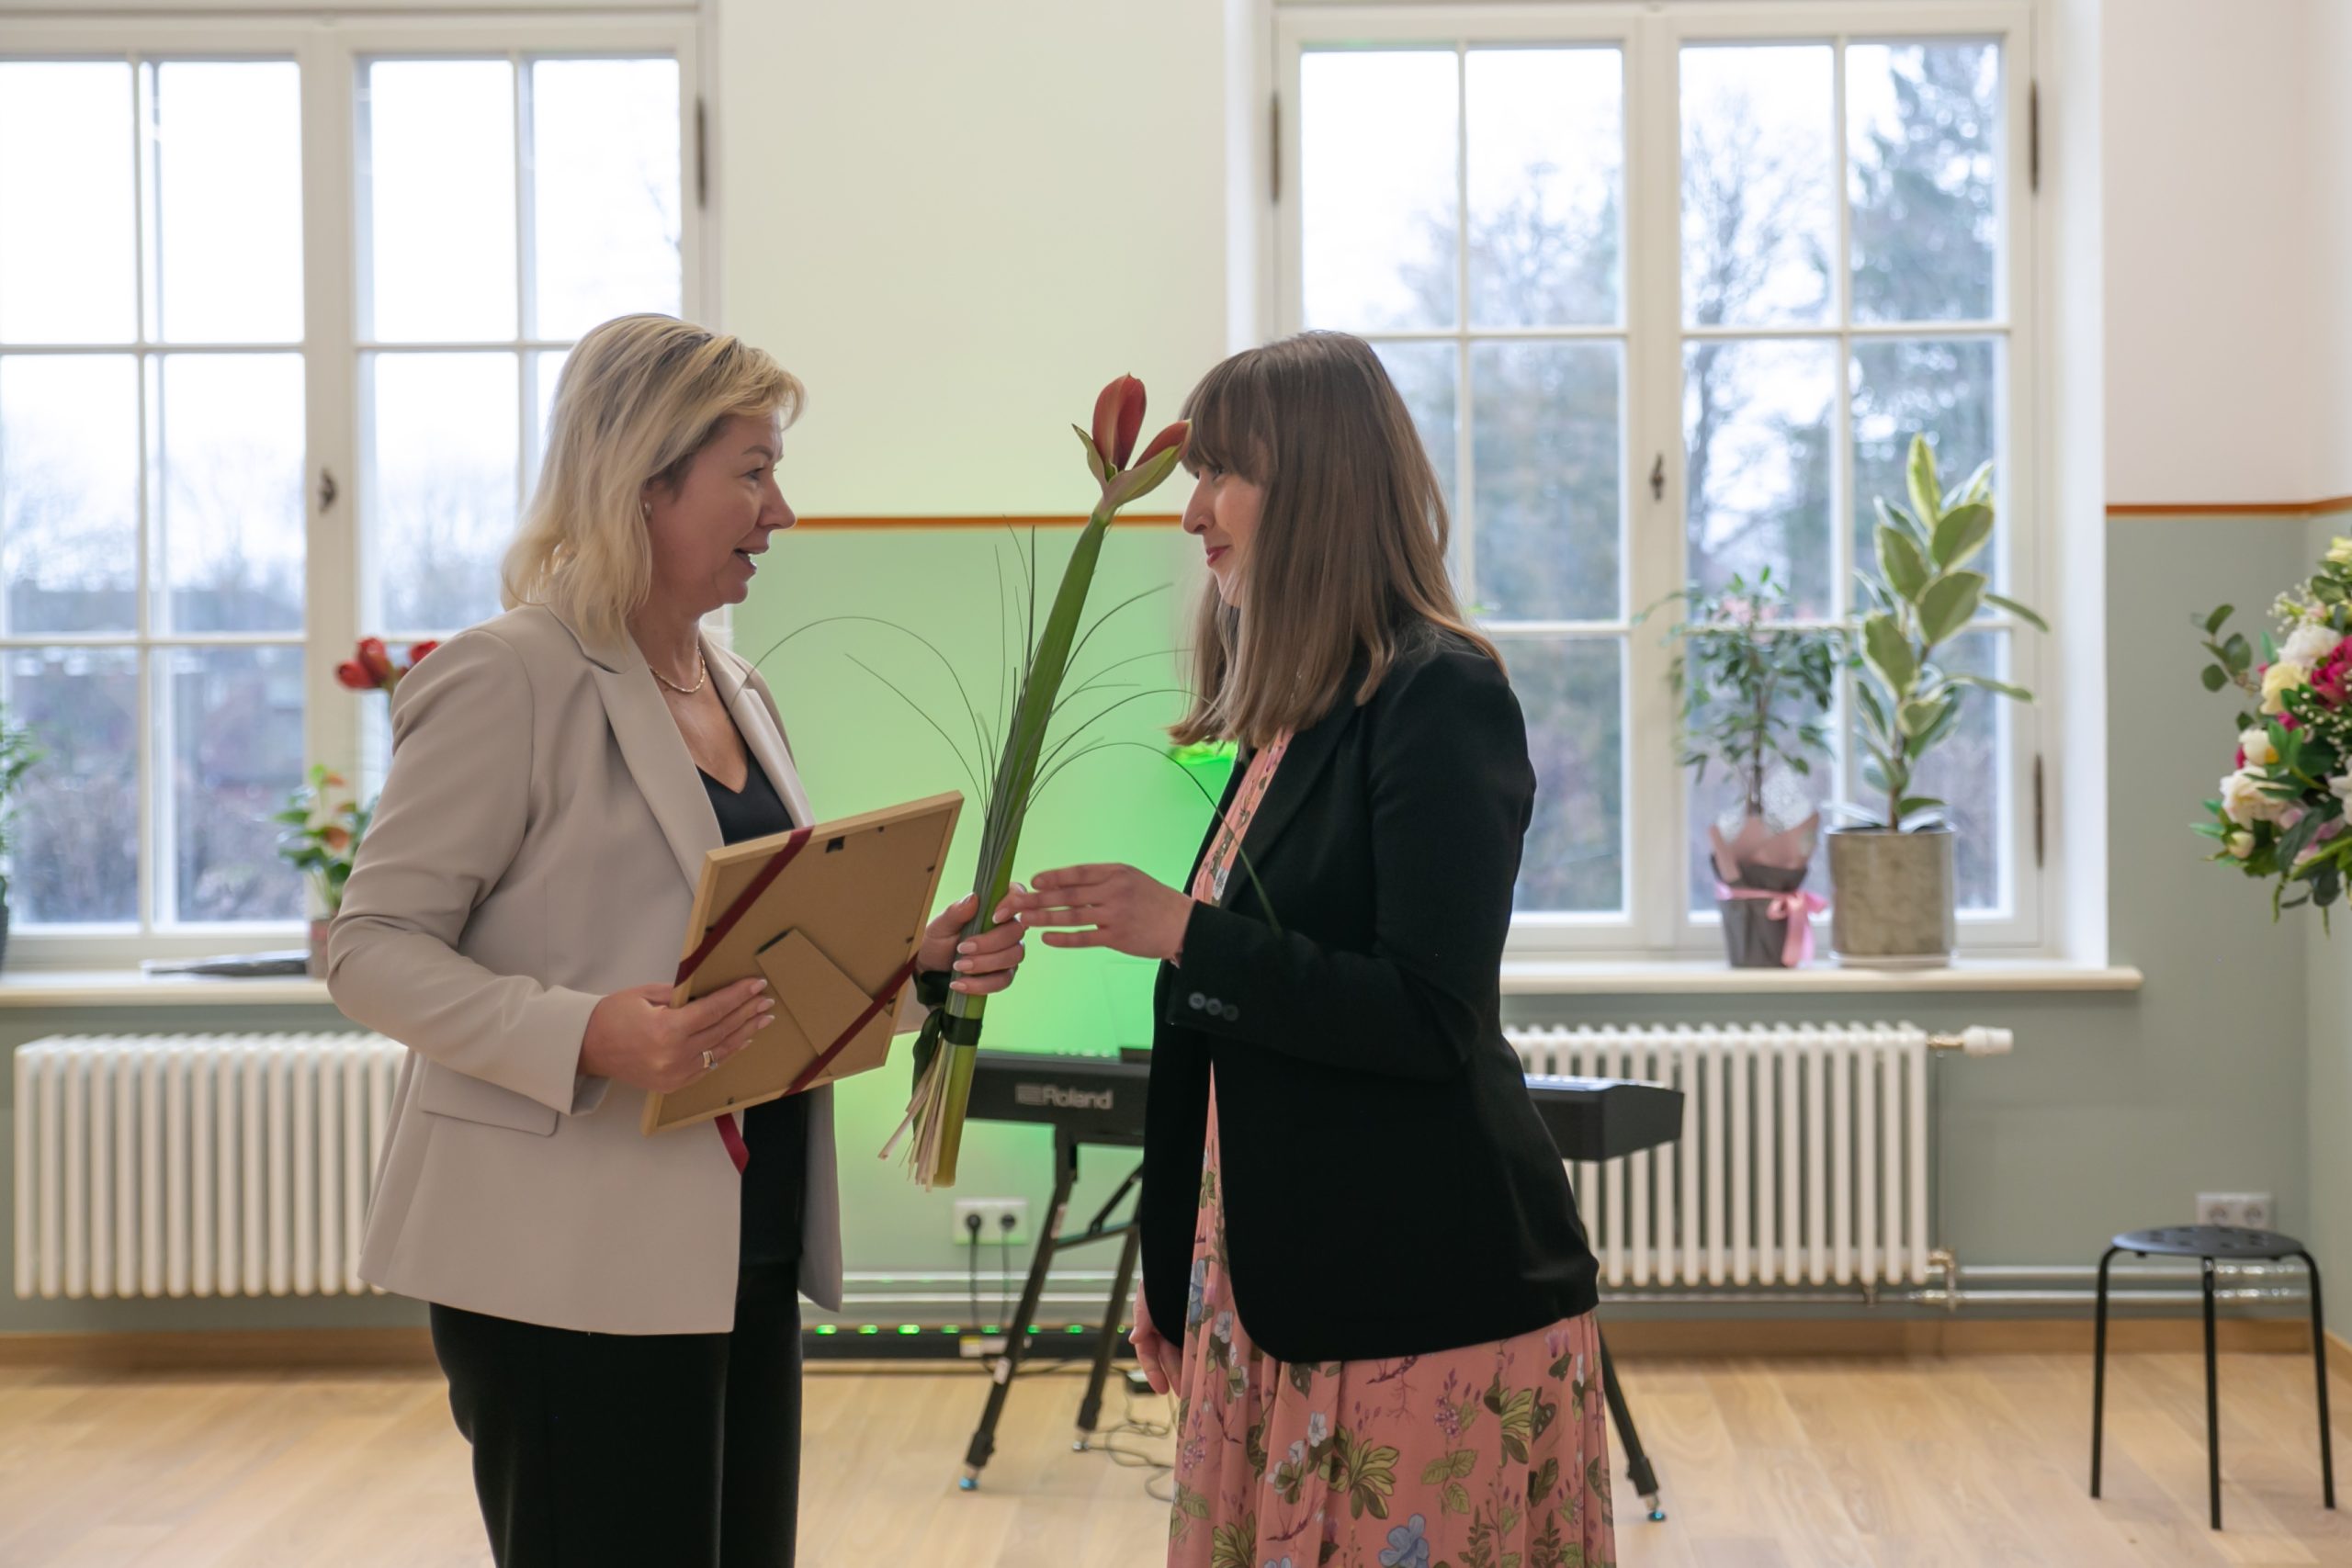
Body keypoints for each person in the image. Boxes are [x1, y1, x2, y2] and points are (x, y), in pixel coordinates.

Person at [328, 313, 1025, 1568]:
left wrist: (912, 973)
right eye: (752, 473)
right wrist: (583, 1032)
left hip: (737, 1246)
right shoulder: (507, 678)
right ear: (644, 481)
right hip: (563, 1263)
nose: (781, 511)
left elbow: (748, 967)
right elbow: (369, 946)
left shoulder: (739, 689)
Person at [1002, 331, 1613, 1568]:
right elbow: (1214, 1040)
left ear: (1321, 486)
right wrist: (1175, 1274)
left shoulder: (1441, 697)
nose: (1193, 514)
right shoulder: (1289, 718)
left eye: (1222, 474)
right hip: (1274, 1290)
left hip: (1414, 1299)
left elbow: (1428, 1018)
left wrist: (1185, 933)